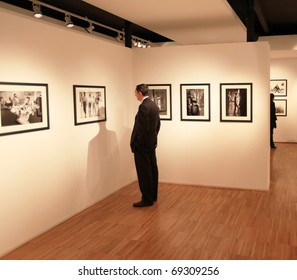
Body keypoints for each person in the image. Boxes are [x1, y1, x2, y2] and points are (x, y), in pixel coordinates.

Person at [130, 84, 161, 207]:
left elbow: (142, 129)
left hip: (143, 146)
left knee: (144, 172)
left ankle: (147, 199)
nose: (135, 95)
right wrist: (153, 137)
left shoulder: (143, 107)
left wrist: (137, 143)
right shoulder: (153, 105)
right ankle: (153, 195)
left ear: (139, 93)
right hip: (151, 143)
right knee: (152, 168)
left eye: (135, 92)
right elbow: (158, 124)